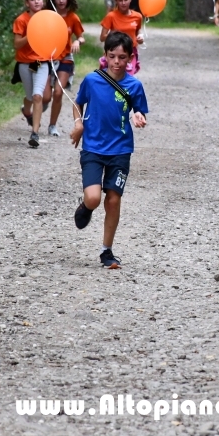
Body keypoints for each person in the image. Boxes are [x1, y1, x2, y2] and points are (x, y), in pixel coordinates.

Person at [70, 31, 149, 269]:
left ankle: (107, 251)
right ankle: (86, 206)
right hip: (93, 147)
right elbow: (77, 102)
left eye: (122, 57)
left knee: (113, 200)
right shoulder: (92, 80)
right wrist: (78, 124)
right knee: (94, 198)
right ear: (105, 56)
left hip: (120, 149)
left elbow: (139, 110)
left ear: (130, 59)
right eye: (112, 56)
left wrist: (138, 116)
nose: (117, 62)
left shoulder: (134, 85)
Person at [44, 0, 85, 137]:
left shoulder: (73, 17)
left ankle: (52, 125)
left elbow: (81, 36)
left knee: (59, 93)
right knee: (46, 96)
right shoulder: (47, 15)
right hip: (47, 57)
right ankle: (38, 105)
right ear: (53, 0)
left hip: (66, 57)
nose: (61, 1)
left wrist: (77, 42)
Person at [12, 0, 49, 148]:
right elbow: (17, 44)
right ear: (27, 3)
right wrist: (31, 34)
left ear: (43, 1)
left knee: (37, 96)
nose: (36, 1)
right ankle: (26, 111)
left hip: (41, 62)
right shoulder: (21, 20)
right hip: (25, 63)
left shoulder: (48, 18)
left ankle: (35, 132)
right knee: (29, 95)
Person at [100, 0, 144, 75]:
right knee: (112, 77)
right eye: (120, 0)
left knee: (128, 78)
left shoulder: (137, 16)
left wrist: (140, 37)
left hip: (130, 52)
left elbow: (137, 32)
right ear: (116, 1)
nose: (123, 3)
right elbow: (102, 37)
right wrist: (115, 37)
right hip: (115, 52)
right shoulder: (111, 16)